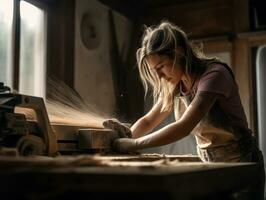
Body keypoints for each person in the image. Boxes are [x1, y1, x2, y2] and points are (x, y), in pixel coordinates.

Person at [103, 21, 265, 198]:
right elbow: (149, 120)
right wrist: (127, 137)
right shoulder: (176, 85)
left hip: (241, 164)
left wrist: (133, 145)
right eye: (154, 70)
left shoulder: (214, 75)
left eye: (161, 67)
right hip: (211, 166)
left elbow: (184, 126)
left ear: (178, 52)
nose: (159, 76)